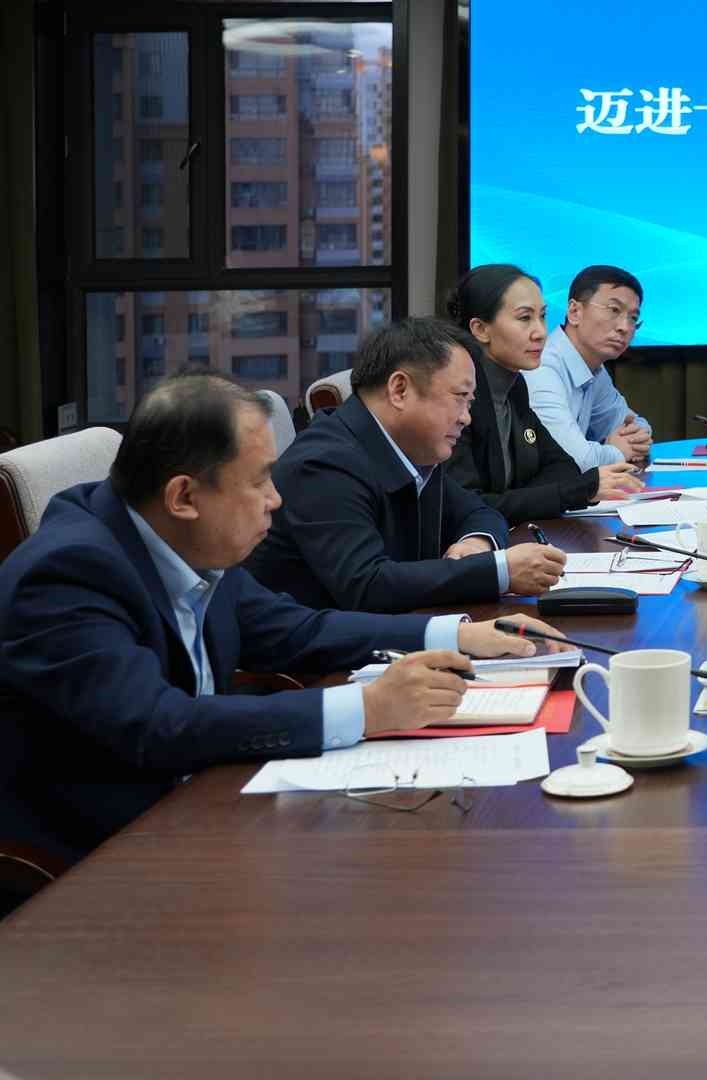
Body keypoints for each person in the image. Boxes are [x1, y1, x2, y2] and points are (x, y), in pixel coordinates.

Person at [0, 373, 560, 865]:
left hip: (211, 801)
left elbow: (297, 631)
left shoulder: (185, 538)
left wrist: (458, 634)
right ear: (183, 496)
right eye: (259, 481)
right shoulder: (68, 574)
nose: (276, 499)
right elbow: (157, 724)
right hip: (106, 858)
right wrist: (368, 708)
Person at [244, 318, 567, 613]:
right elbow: (367, 585)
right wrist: (498, 571)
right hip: (314, 656)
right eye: (459, 397)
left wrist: (476, 544)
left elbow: (479, 511)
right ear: (399, 390)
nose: (466, 418)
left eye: (470, 403)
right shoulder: (323, 464)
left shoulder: (412, 447)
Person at [444, 264, 646, 524]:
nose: (540, 332)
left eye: (542, 316)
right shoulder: (456, 399)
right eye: (524, 318)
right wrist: (568, 492)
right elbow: (469, 507)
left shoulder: (515, 386)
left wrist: (522, 498)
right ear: (481, 329)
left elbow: (564, 466)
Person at [523, 264, 654, 471]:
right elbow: (575, 459)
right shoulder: (542, 367)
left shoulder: (595, 369)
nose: (625, 327)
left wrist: (637, 438)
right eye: (614, 310)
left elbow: (634, 424)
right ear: (574, 312)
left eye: (633, 318)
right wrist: (618, 451)